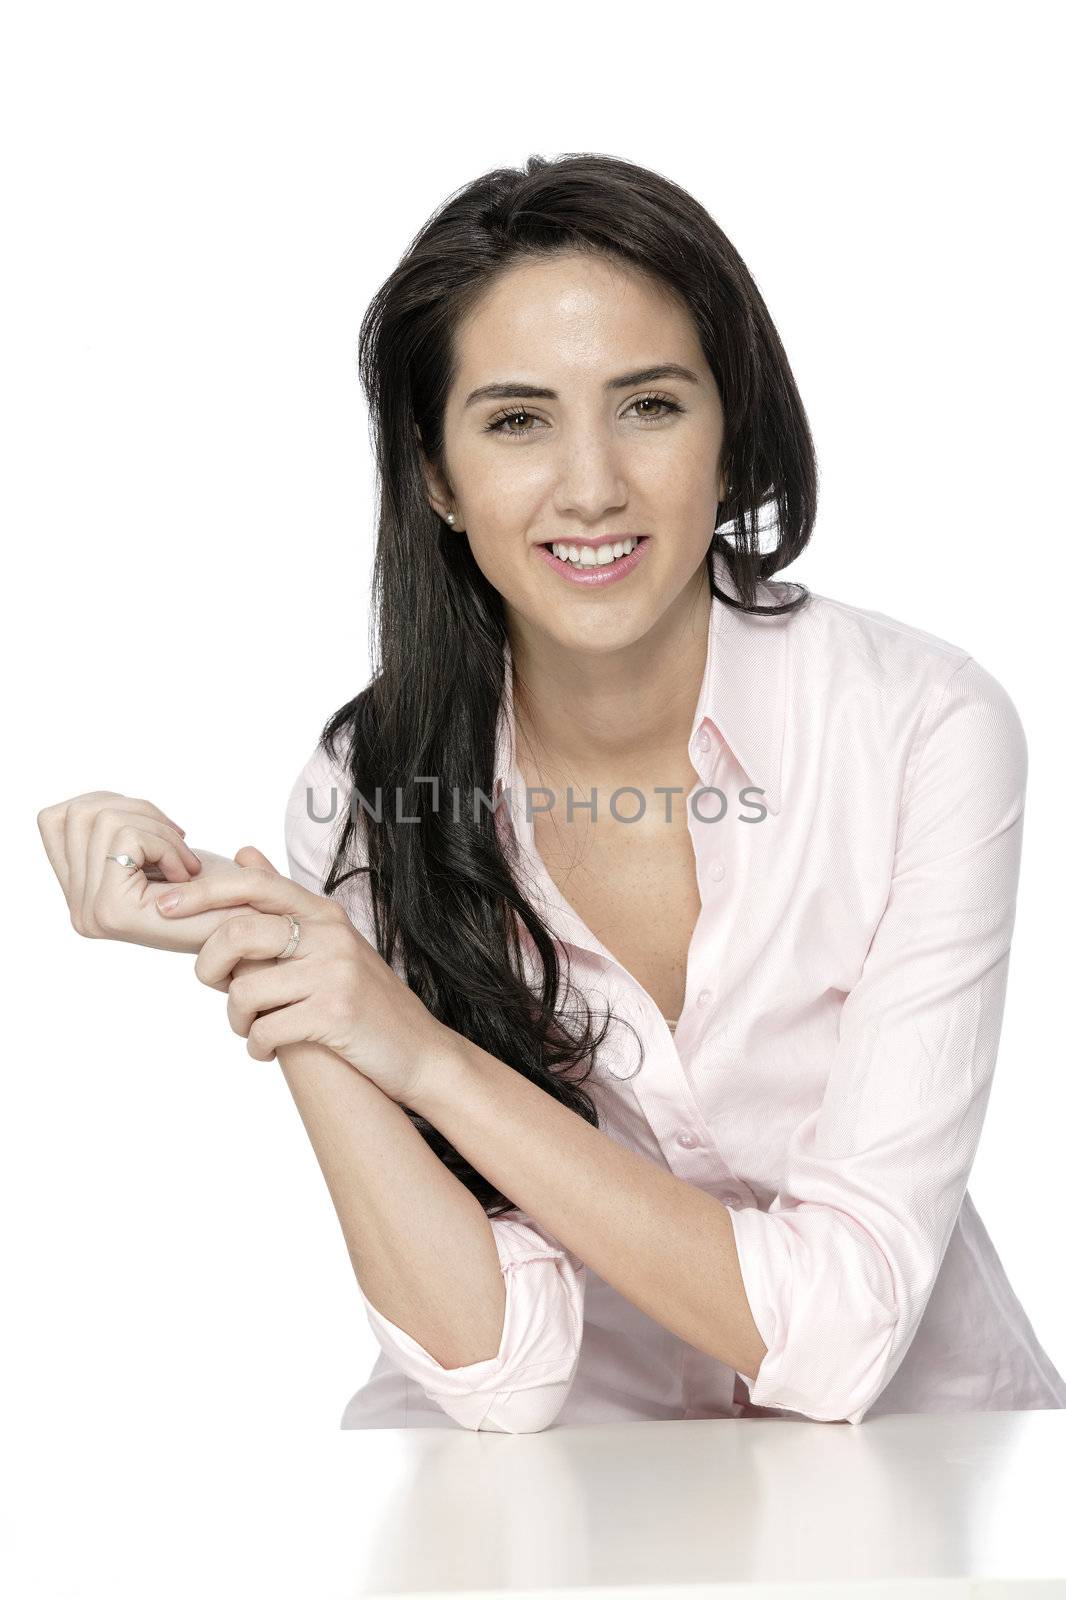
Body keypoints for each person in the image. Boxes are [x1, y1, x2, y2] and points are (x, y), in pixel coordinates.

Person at [38, 153, 1066, 1434]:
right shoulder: (372, 787)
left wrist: (420, 1054)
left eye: (648, 405)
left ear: (730, 426)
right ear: (434, 475)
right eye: (516, 419)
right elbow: (499, 1371)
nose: (590, 486)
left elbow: (844, 1330)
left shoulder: (922, 730)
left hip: (914, 1467)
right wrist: (285, 971)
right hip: (562, 1478)